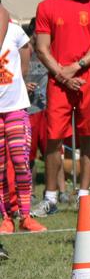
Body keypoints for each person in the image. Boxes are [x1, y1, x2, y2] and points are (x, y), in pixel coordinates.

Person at [32, 0, 90, 216]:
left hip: (88, 77)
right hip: (59, 81)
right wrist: (63, 75)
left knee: (89, 136)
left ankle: (84, 194)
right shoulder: (46, 6)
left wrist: (77, 66)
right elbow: (42, 48)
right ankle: (50, 197)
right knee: (53, 138)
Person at [0, 18, 46, 234]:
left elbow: (26, 54)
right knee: (0, 167)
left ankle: (25, 217)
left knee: (21, 161)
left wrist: (20, 79)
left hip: (16, 107)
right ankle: (6, 218)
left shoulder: (15, 30)